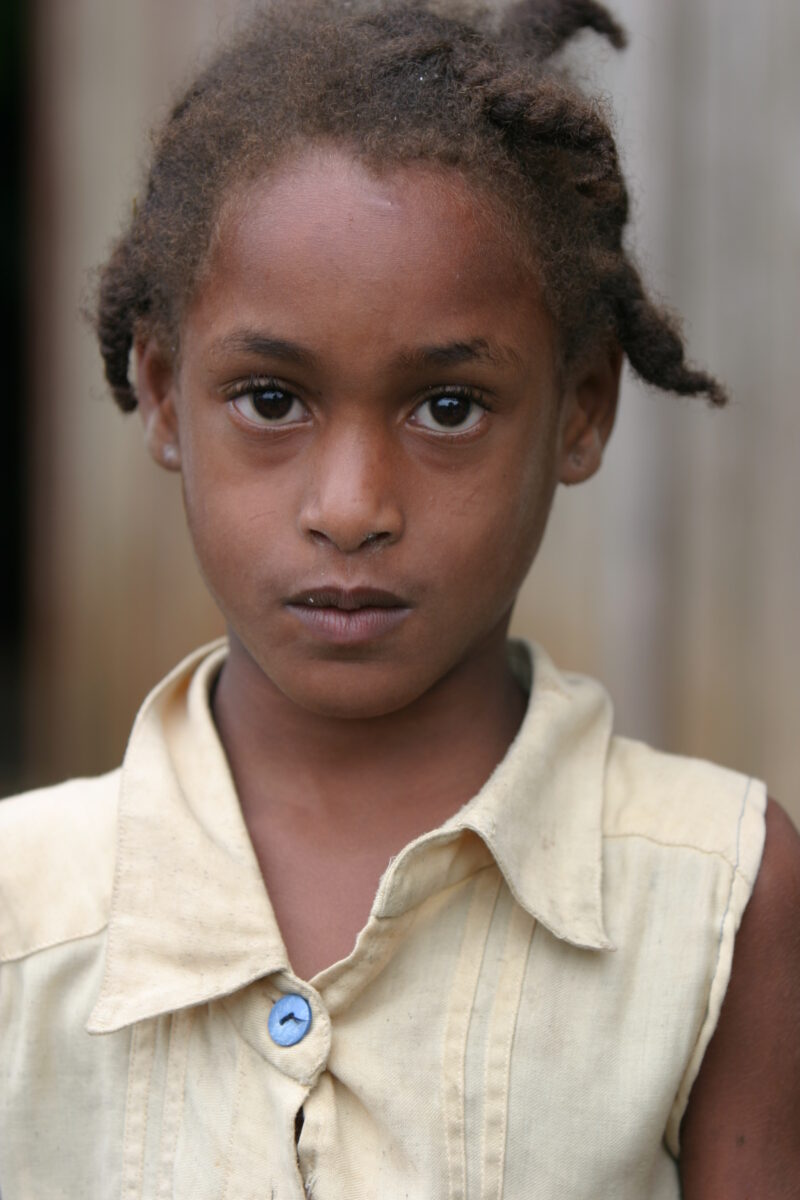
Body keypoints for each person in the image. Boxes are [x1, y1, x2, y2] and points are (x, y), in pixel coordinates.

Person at [1, 0, 798, 1195]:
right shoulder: (22, 911)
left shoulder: (711, 895)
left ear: (581, 408)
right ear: (163, 396)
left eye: (446, 407)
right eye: (271, 399)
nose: (351, 503)